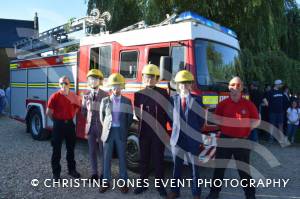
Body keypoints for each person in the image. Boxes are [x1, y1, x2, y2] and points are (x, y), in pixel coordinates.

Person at [206, 77, 260, 199]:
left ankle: (250, 195)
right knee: (219, 169)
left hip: (242, 141)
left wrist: (246, 129)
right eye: (232, 85)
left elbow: (256, 121)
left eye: (237, 85)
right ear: (229, 87)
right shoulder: (222, 104)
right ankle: (214, 194)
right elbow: (216, 119)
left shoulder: (248, 104)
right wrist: (225, 128)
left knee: (244, 171)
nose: (234, 88)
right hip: (225, 140)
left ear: (241, 88)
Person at [167, 70, 205, 199]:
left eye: (186, 83)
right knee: (176, 168)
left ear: (190, 85)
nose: (183, 85)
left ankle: (196, 193)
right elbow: (170, 118)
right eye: (181, 83)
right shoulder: (172, 99)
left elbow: (201, 121)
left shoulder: (198, 100)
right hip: (177, 140)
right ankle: (174, 192)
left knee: (195, 169)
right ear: (177, 85)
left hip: (192, 140)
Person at [133, 64, 170, 196]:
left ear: (157, 78)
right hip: (145, 132)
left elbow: (168, 112)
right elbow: (137, 114)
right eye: (146, 76)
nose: (149, 79)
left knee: (158, 160)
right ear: (143, 77)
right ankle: (142, 185)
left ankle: (160, 187)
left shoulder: (163, 93)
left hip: (159, 133)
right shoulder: (138, 95)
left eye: (152, 77)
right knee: (144, 160)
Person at [99, 73, 133, 194]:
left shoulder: (127, 101)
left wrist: (123, 128)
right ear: (110, 88)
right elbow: (102, 117)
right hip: (108, 133)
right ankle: (106, 181)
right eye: (114, 86)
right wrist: (107, 128)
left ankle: (123, 182)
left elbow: (129, 118)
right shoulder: (105, 100)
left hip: (121, 132)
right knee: (106, 158)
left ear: (122, 87)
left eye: (118, 86)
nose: (116, 89)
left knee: (122, 158)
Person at [46, 76, 81, 180]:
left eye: (65, 83)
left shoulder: (73, 96)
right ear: (59, 85)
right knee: (56, 150)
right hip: (58, 125)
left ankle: (72, 170)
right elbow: (48, 112)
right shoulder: (55, 96)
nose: (63, 85)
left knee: (71, 149)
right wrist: (57, 121)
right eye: (61, 83)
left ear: (69, 84)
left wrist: (70, 116)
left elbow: (77, 107)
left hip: (70, 125)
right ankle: (56, 173)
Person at [82, 69, 107, 180]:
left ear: (100, 81)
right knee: (92, 151)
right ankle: (94, 173)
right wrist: (88, 120)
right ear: (88, 81)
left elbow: (108, 112)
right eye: (91, 79)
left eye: (96, 79)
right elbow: (83, 111)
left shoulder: (105, 95)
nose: (93, 81)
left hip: (102, 128)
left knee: (103, 152)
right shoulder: (86, 95)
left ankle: (103, 173)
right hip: (90, 128)